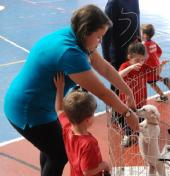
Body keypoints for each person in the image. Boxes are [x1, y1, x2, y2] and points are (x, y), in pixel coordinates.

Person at [4, 5, 139, 176]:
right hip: (28, 111)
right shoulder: (70, 53)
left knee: (50, 149)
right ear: (86, 31)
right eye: (98, 36)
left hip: (36, 104)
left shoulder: (76, 36)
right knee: (59, 154)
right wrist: (127, 114)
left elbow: (105, 68)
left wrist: (128, 92)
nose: (100, 41)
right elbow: (103, 93)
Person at [54, 73, 110, 176]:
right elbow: (87, 172)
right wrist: (104, 165)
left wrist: (60, 88)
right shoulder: (89, 143)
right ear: (87, 120)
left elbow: (59, 109)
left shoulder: (67, 128)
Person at [102, 0, 140, 92]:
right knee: (118, 87)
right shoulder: (113, 3)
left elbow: (137, 21)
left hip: (133, 52)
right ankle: (115, 106)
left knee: (133, 85)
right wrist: (106, 58)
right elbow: (105, 32)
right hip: (118, 54)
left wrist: (140, 43)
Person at [118, 42, 149, 147]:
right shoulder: (125, 66)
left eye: (142, 60)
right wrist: (130, 68)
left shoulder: (143, 67)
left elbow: (153, 74)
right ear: (129, 57)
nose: (140, 63)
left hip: (140, 99)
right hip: (126, 101)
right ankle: (127, 135)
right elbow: (118, 75)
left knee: (140, 119)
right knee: (126, 119)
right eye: (136, 60)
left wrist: (160, 67)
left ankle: (138, 134)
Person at [141, 24, 170, 102]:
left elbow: (143, 56)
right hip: (157, 65)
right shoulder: (153, 42)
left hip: (150, 68)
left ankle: (162, 96)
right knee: (153, 79)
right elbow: (160, 51)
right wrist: (155, 58)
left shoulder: (143, 44)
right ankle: (163, 80)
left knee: (152, 83)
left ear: (144, 35)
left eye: (141, 33)